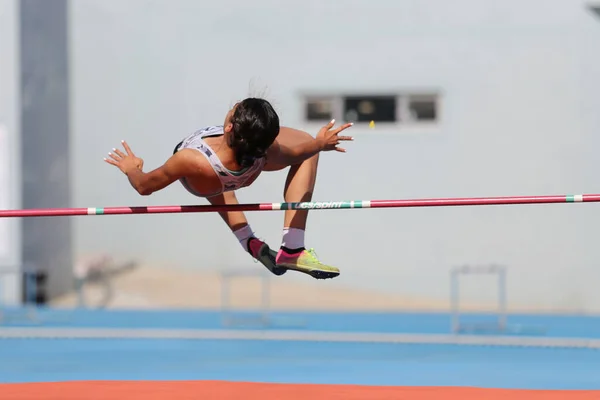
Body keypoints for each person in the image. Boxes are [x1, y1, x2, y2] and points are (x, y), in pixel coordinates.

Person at [104, 97, 353, 279]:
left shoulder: (190, 160)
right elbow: (302, 151)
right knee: (308, 148)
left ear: (229, 126)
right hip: (248, 167)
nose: (232, 106)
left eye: (233, 108)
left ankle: (249, 241)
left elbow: (144, 186)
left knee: (217, 185)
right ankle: (292, 246)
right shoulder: (267, 151)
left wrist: (131, 167)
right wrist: (320, 143)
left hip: (206, 178)